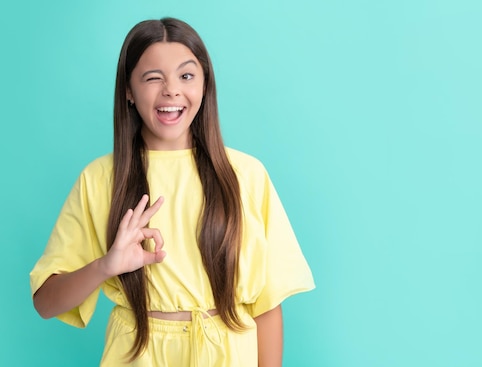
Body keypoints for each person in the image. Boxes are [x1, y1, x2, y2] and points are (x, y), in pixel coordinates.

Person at [30, 17, 315, 367]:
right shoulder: (100, 178)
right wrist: (106, 266)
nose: (171, 90)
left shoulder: (245, 174)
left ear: (205, 85)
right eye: (153, 78)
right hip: (137, 354)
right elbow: (45, 302)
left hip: (228, 353)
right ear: (129, 91)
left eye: (186, 75)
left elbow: (268, 304)